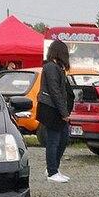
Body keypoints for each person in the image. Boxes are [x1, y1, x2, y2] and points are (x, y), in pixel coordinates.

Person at [37, 39, 76, 182]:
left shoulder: (57, 67)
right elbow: (55, 91)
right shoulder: (51, 68)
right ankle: (52, 172)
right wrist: (64, 113)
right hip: (51, 109)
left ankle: (53, 168)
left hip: (55, 108)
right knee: (54, 141)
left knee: (63, 139)